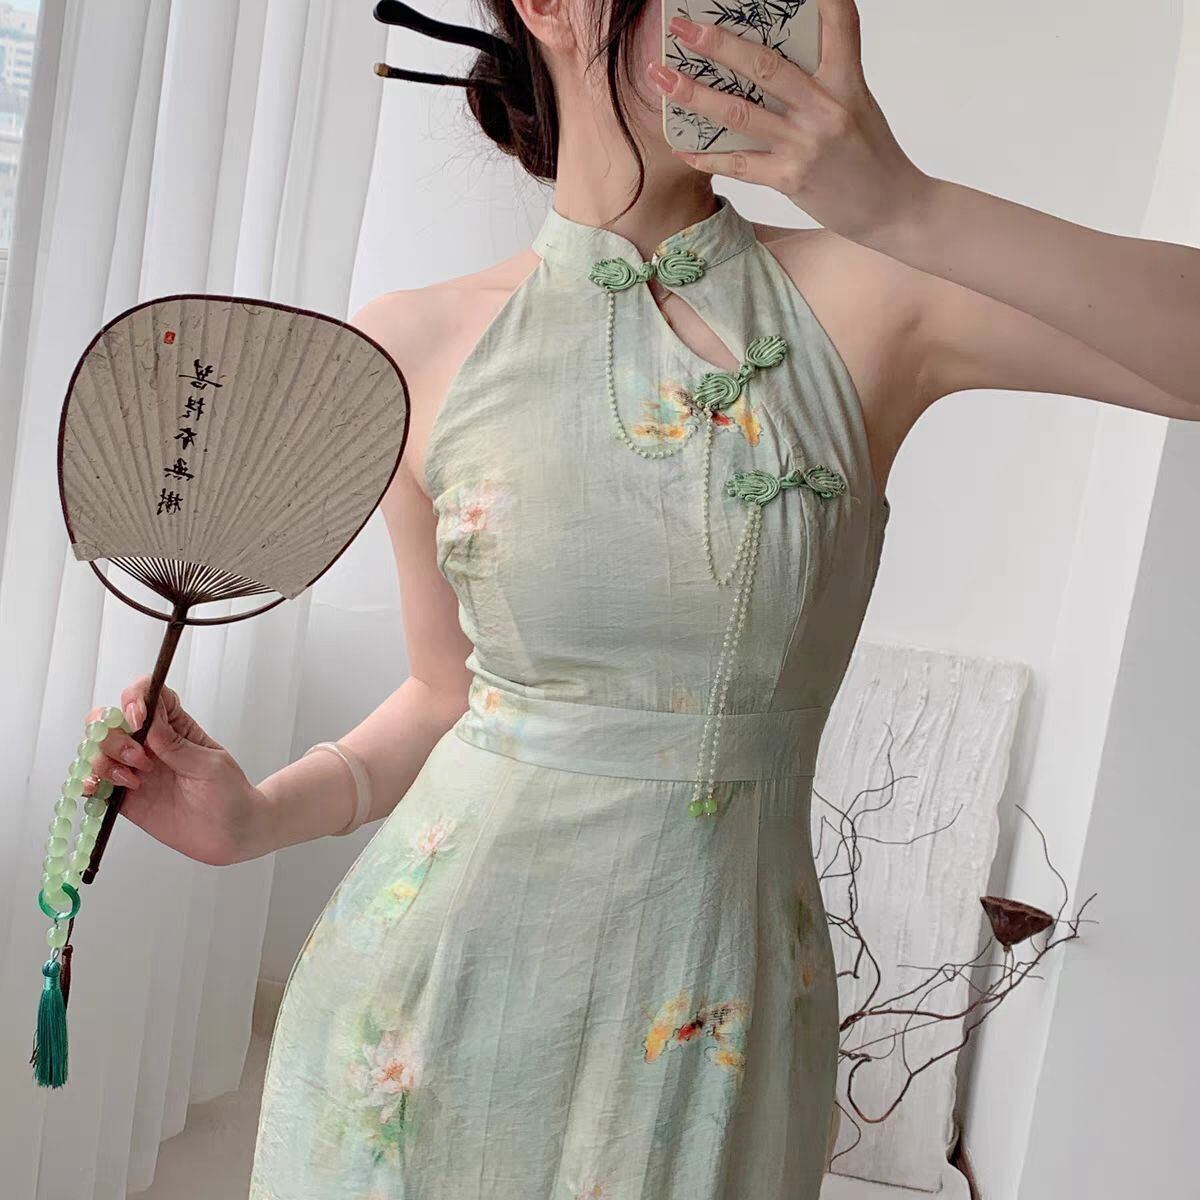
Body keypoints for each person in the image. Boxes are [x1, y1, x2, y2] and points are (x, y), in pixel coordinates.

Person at [77, 0, 1199, 1196]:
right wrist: (256, 820)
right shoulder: (412, 343)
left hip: (715, 1020)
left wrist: (903, 205)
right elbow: (448, 695)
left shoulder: (876, 298)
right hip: (428, 998)